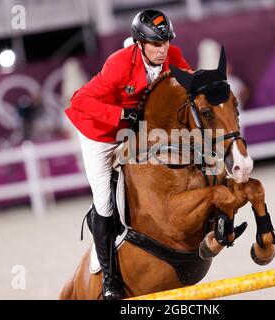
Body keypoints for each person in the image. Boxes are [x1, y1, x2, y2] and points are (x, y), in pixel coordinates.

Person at [64, 9, 190, 300]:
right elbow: (79, 99)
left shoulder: (173, 56)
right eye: (156, 45)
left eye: (166, 42)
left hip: (138, 131)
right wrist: (121, 113)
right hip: (99, 134)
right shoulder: (119, 64)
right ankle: (110, 280)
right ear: (139, 44)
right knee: (104, 201)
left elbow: (189, 84)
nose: (163, 50)